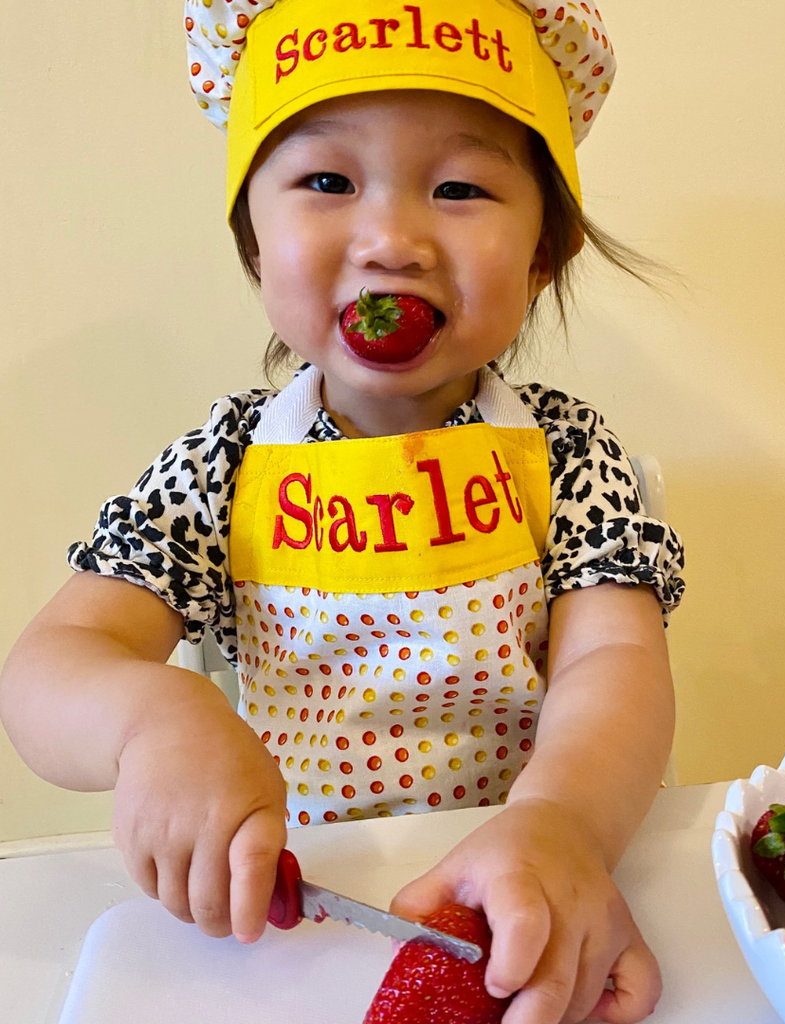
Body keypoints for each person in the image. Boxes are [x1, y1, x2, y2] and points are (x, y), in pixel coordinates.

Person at [0, 2, 683, 1020]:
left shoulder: (572, 456)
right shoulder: (220, 465)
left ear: (543, 252)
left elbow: (613, 665)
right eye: (327, 181)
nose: (392, 240)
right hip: (285, 910)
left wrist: (566, 823)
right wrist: (152, 718)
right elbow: (54, 663)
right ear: (253, 242)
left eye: (460, 188)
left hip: (514, 891)